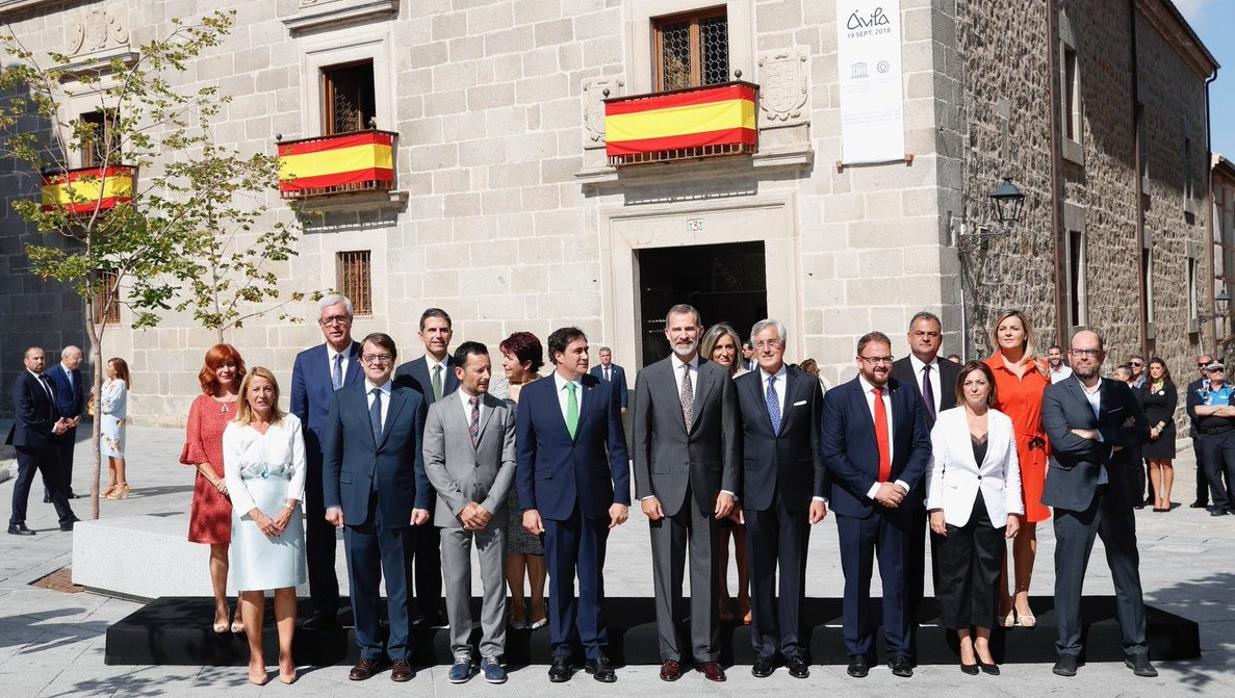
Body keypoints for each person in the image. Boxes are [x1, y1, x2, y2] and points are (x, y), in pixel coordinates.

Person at [515, 326, 630, 683]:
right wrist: (528, 506)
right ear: (558, 356)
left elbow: (617, 448)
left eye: (586, 350)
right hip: (553, 503)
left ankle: (596, 650)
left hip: (595, 501)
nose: (585, 356)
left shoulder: (602, 391)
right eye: (578, 351)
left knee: (592, 578)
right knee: (561, 579)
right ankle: (562, 651)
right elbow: (525, 455)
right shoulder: (533, 395)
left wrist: (621, 497)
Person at [632, 305, 738, 683]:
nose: (683, 335)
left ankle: (708, 653)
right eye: (676, 329)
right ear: (667, 333)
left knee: (707, 572)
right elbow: (640, 440)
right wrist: (644, 491)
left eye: (689, 328)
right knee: (667, 575)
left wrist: (729, 486)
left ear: (700, 330)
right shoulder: (649, 377)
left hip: (709, 491)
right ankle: (671, 653)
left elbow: (729, 438)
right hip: (663, 491)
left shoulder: (717, 376)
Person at [1041, 328, 1155, 678]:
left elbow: (1140, 432)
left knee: (1127, 573)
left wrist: (1092, 433)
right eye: (1077, 352)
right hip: (1074, 498)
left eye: (1090, 351)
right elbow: (1061, 441)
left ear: (1102, 355)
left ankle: (1137, 650)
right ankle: (1068, 651)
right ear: (1070, 356)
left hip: (1116, 495)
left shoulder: (1121, 391)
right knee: (1069, 576)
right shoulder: (1055, 394)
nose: (1084, 357)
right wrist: (1110, 440)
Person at [822, 331, 930, 679]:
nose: (882, 364)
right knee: (856, 581)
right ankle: (857, 650)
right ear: (859, 361)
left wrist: (899, 485)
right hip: (856, 506)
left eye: (886, 358)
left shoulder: (906, 394)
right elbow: (833, 455)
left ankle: (899, 650)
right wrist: (873, 489)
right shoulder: (839, 399)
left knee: (897, 581)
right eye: (874, 359)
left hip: (898, 504)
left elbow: (921, 446)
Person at [323, 332, 430, 683]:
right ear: (360, 362)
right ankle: (369, 652)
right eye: (370, 357)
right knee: (362, 584)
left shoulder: (411, 400)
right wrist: (332, 501)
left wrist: (421, 500)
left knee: (399, 586)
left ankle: (400, 655)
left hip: (399, 505)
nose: (377, 362)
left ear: (393, 359)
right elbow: (332, 457)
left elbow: (420, 457)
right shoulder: (344, 400)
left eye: (383, 356)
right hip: (355, 506)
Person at [736, 319, 827, 680]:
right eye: (760, 343)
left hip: (796, 494)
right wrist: (734, 493)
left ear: (783, 345)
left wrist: (820, 493)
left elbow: (817, 442)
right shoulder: (740, 387)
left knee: (792, 573)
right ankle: (765, 648)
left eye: (772, 342)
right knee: (759, 574)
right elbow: (734, 444)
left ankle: (792, 648)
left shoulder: (807, 384)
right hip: (755, 494)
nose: (767, 348)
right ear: (753, 349)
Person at [423, 342, 516, 685]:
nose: (487, 375)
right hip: (452, 514)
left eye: (489, 368)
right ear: (460, 372)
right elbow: (432, 462)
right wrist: (462, 505)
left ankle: (492, 652)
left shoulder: (503, 410)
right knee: (457, 583)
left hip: (493, 514)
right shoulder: (439, 411)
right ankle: (461, 651)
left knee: (494, 584)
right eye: (479, 370)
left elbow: (510, 461)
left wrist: (489, 505)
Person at [926, 361, 1022, 676]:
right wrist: (935, 507)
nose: (975, 388)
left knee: (988, 576)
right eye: (969, 383)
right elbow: (934, 467)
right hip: (954, 507)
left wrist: (1013, 510)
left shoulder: (1003, 422)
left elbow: (1012, 470)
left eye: (980, 382)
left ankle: (984, 640)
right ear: (961, 388)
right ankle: (964, 640)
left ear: (990, 387)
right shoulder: (946, 420)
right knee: (955, 576)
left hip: (992, 509)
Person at [222, 367, 307, 686]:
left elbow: (300, 468)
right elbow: (232, 476)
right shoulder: (234, 429)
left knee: (286, 584)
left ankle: (286, 653)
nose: (262, 395)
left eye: (268, 388)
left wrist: (289, 507)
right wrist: (256, 515)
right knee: (253, 585)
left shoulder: (291, 423)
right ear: (246, 393)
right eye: (255, 389)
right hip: (250, 516)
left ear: (275, 391)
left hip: (285, 509)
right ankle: (256, 654)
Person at [289, 294, 363, 630]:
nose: (335, 324)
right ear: (321, 325)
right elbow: (298, 417)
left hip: (360, 463)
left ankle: (365, 605)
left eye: (340, 318)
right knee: (319, 539)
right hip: (319, 464)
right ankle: (325, 607)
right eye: (328, 320)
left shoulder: (369, 356)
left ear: (350, 320)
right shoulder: (306, 361)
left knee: (362, 536)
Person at [890, 311, 960, 660]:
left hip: (948, 477)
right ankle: (912, 610)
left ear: (940, 338)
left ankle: (947, 612)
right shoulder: (894, 373)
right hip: (907, 474)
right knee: (907, 549)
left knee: (947, 547)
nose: (926, 339)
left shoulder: (954, 373)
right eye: (920, 333)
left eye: (932, 334)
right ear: (909, 336)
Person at [983, 309, 1049, 628]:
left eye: (1014, 328)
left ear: (1026, 334)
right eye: (1002, 328)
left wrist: (1050, 455)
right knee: (998, 526)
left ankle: (1022, 595)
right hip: (998, 455)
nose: (1008, 332)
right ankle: (1003, 596)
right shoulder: (987, 369)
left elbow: (1052, 414)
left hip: (1033, 454)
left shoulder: (1042, 370)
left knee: (1027, 527)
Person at [393, 307, 457, 627]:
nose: (437, 335)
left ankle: (444, 609)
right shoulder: (405, 373)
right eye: (431, 330)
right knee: (420, 544)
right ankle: (419, 609)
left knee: (451, 547)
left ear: (451, 333)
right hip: (416, 472)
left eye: (443, 330)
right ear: (421, 335)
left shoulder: (462, 370)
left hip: (455, 472)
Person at [180, 344, 246, 634]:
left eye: (230, 363)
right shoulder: (201, 404)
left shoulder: (247, 399)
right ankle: (221, 605)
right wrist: (218, 479)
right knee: (218, 549)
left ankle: (244, 606)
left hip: (245, 485)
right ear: (210, 369)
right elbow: (194, 448)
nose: (226, 370)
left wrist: (234, 479)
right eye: (220, 365)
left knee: (246, 548)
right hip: (212, 488)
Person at [495, 331, 548, 631]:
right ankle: (517, 602)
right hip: (505, 478)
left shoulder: (545, 388)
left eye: (509, 357)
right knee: (511, 545)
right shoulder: (498, 389)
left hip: (538, 477)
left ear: (527, 363)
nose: (503, 362)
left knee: (535, 543)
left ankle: (538, 600)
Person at [700, 322, 751, 625]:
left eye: (729, 346)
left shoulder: (747, 382)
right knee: (717, 547)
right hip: (711, 479)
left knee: (745, 547)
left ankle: (745, 596)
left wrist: (738, 491)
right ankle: (721, 596)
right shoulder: (703, 381)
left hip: (744, 478)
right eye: (718, 347)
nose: (724, 353)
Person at [6, 347, 79, 535]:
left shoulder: (47, 379)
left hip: (47, 440)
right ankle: (16, 522)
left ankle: (67, 518)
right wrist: (53, 427)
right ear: (26, 361)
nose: (39, 361)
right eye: (35, 358)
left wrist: (65, 419)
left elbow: (52, 407)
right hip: (29, 441)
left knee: (56, 480)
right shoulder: (23, 381)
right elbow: (27, 414)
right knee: (24, 481)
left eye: (42, 358)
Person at [1191, 359, 1235, 517]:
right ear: (1208, 374)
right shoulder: (1200, 391)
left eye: (1220, 369)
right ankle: (1220, 504)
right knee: (1211, 471)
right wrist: (1221, 408)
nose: (1218, 372)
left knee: (1233, 467)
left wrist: (1209, 409)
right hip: (1208, 436)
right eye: (1214, 370)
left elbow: (1233, 412)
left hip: (1229, 434)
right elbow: (1197, 410)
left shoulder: (1231, 390)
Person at [43, 345, 85, 501]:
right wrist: (63, 417)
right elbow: (51, 399)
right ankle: (50, 493)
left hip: (72, 423)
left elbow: (79, 394)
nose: (79, 360)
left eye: (80, 357)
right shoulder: (52, 374)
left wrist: (79, 414)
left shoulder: (77, 372)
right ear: (65, 358)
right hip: (58, 423)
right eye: (76, 357)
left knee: (67, 458)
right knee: (53, 458)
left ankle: (66, 489)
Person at [1140, 358, 1177, 513]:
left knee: (1166, 463)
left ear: (1163, 369)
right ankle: (1157, 498)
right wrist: (1149, 428)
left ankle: (1167, 498)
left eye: (1158, 368)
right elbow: (1141, 408)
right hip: (1149, 429)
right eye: (1152, 368)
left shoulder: (1169, 387)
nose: (1155, 371)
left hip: (1165, 428)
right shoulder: (1145, 386)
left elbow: (1170, 408)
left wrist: (1159, 427)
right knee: (1153, 463)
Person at [99, 358, 130, 499]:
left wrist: (97, 397)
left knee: (117, 452)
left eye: (110, 366)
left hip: (115, 422)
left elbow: (111, 404)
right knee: (109, 452)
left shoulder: (120, 384)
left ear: (116, 369)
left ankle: (122, 484)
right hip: (106, 422)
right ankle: (112, 483)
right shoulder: (108, 382)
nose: (107, 368)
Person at [1186, 355, 1213, 508]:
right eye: (1200, 364)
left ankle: (1229, 498)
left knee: (1224, 465)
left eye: (1206, 364)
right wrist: (1204, 423)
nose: (1203, 367)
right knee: (1202, 465)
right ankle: (1202, 498)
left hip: (1220, 431)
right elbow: (1191, 408)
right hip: (1200, 431)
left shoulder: (1226, 384)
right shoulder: (1193, 386)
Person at [589, 346, 629, 413]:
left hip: (615, 405)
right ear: (600, 357)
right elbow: (591, 389)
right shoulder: (594, 371)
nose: (605, 358)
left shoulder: (619, 370)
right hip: (599, 405)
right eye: (603, 356)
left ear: (611, 356)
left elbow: (623, 389)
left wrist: (623, 405)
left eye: (607, 355)